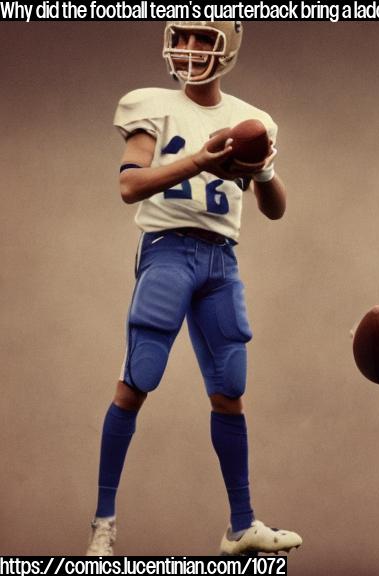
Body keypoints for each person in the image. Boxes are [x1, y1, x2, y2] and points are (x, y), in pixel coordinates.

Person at [86, 21, 301, 557]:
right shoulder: (151, 105)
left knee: (230, 386)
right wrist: (200, 161)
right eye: (181, 36)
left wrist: (264, 170)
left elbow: (275, 210)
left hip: (221, 260)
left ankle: (241, 524)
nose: (188, 48)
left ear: (226, 45)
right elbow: (129, 185)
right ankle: (103, 523)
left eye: (203, 38)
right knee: (139, 379)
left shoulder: (251, 119)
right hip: (168, 248)